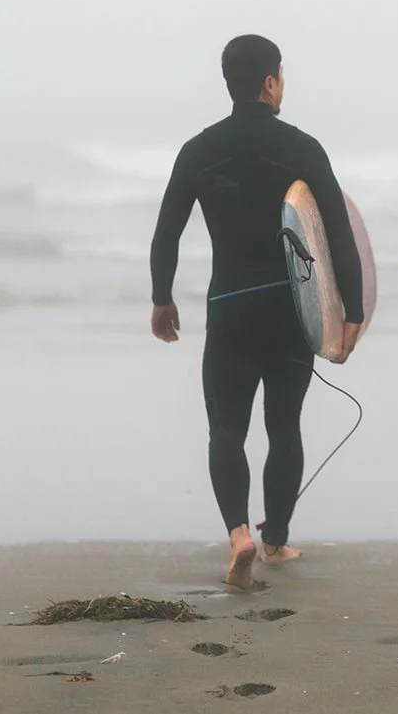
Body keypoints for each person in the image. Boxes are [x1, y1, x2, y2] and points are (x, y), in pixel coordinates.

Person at [149, 35, 364, 590]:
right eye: (282, 77)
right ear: (270, 82)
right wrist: (353, 308)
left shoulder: (199, 150)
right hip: (290, 310)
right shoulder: (302, 147)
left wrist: (161, 297)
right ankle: (276, 542)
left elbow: (167, 230)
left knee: (226, 426)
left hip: (230, 306)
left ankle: (239, 532)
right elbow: (337, 230)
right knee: (284, 424)